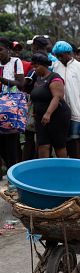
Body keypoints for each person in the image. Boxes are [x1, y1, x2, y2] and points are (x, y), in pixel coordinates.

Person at [52, 40, 80, 158]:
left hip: (77, 109)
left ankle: (77, 161)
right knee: (64, 139)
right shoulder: (56, 66)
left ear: (69, 53)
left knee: (75, 139)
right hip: (60, 110)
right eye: (58, 56)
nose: (59, 58)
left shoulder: (79, 66)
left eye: (61, 55)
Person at [30, 53, 71, 158]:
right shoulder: (38, 78)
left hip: (57, 116)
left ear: (44, 65)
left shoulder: (54, 77)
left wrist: (48, 114)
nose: (34, 68)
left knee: (59, 145)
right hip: (40, 117)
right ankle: (44, 171)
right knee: (43, 144)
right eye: (33, 66)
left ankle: (63, 170)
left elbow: (57, 97)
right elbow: (36, 97)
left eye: (36, 66)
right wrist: (34, 112)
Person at [0, 38, 24, 174]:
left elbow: (21, 84)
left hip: (11, 106)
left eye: (1, 50)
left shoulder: (16, 62)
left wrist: (3, 80)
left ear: (8, 50)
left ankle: (13, 174)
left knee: (11, 142)